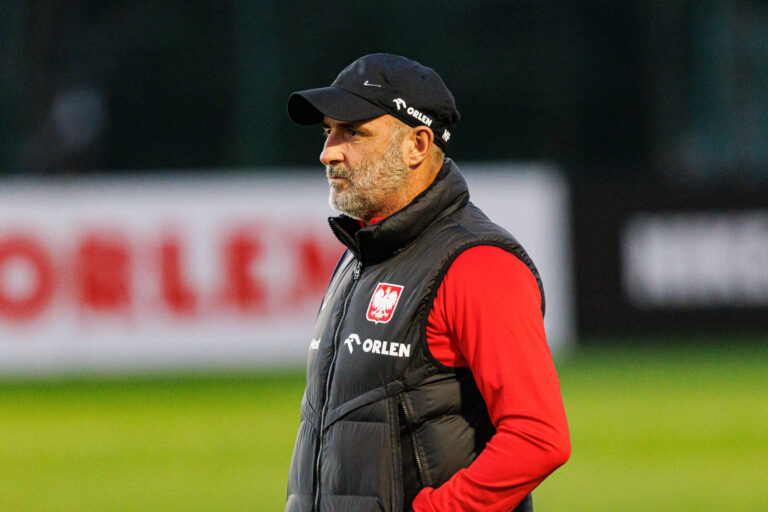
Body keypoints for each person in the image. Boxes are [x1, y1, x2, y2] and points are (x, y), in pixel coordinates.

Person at [285, 53, 570, 512]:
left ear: (417, 144)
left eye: (353, 132)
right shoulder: (358, 256)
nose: (328, 151)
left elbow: (539, 437)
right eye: (327, 131)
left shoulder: (478, 264)